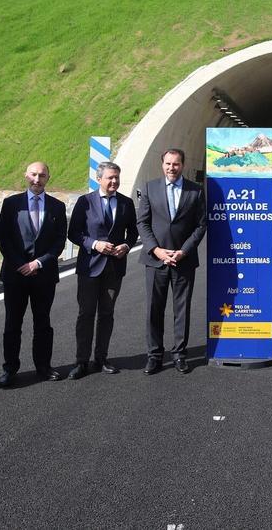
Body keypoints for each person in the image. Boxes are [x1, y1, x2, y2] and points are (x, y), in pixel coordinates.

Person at [136, 148, 207, 374]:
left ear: (182, 165)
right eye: (168, 163)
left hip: (183, 260)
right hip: (155, 260)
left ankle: (179, 355)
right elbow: (142, 223)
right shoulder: (149, 188)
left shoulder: (196, 191)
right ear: (162, 164)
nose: (171, 168)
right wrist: (156, 250)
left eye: (176, 164)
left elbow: (201, 225)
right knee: (154, 310)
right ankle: (154, 356)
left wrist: (184, 251)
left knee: (182, 310)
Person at [0, 162, 67, 387]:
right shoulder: (11, 204)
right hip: (15, 274)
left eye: (42, 175)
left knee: (43, 323)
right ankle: (10, 369)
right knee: (12, 324)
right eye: (34, 175)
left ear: (48, 178)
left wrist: (38, 263)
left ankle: (43, 366)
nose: (37, 179)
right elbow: (4, 238)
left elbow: (59, 241)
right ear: (26, 176)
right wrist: (21, 264)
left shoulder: (57, 206)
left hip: (44, 275)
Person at [67, 162, 138, 379]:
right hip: (90, 268)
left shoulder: (126, 203)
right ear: (99, 179)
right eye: (110, 178)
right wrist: (94, 244)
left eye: (117, 177)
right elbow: (74, 233)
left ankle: (101, 358)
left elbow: (133, 232)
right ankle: (81, 361)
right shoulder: (85, 202)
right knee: (86, 314)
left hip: (114, 268)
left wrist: (126, 246)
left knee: (107, 314)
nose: (114, 181)